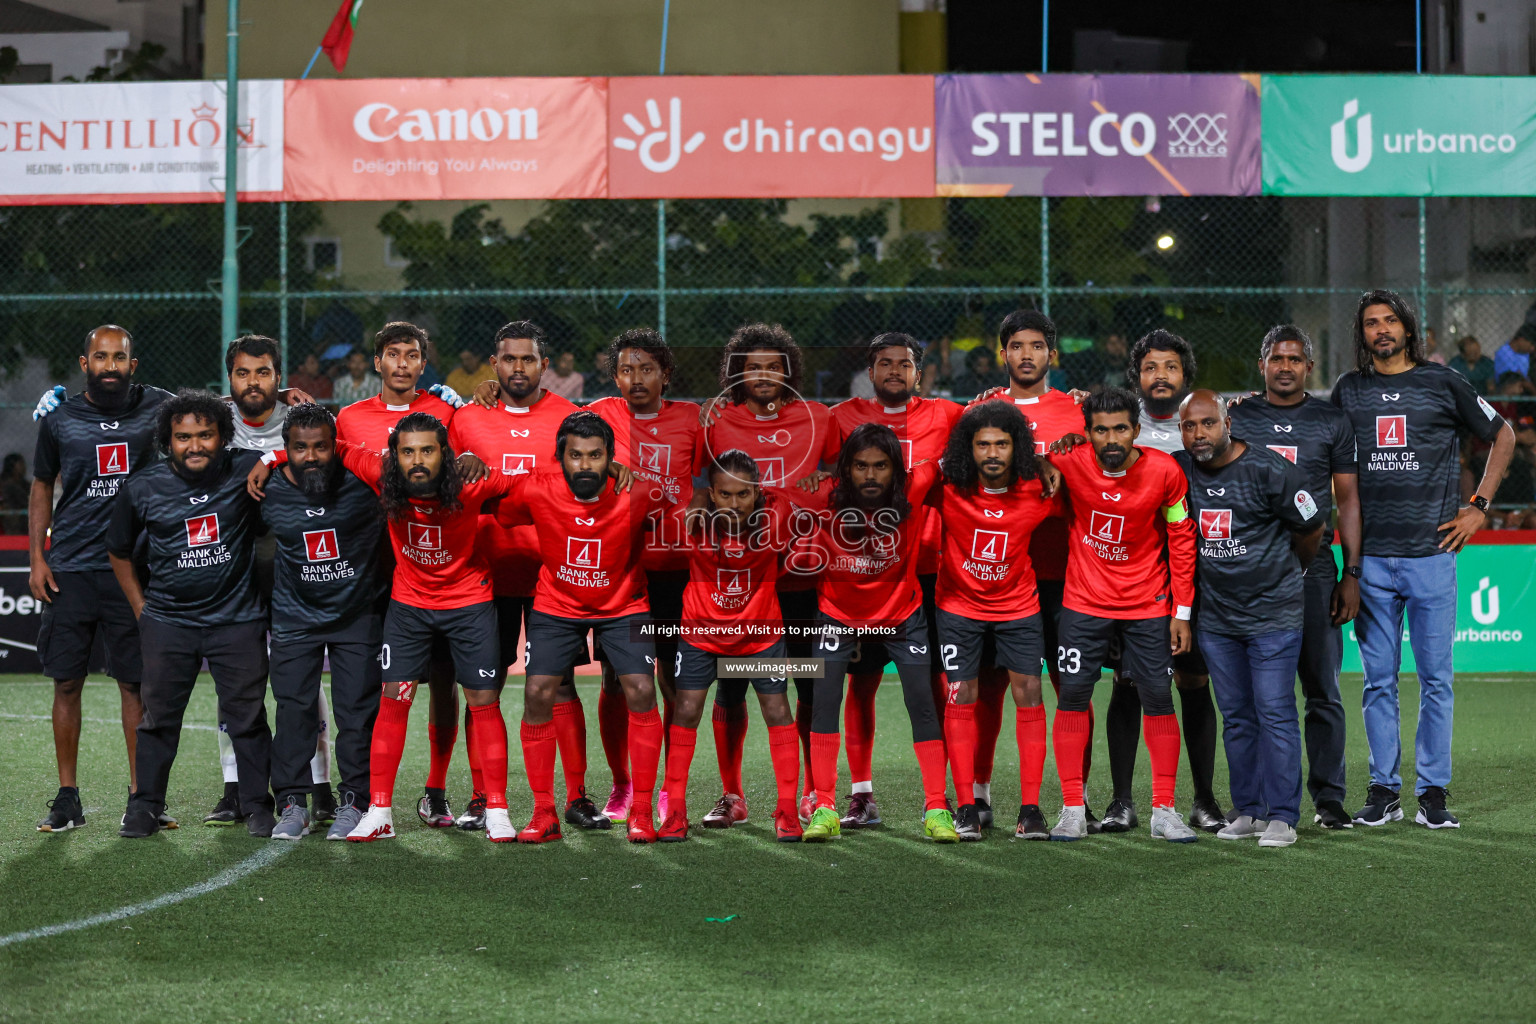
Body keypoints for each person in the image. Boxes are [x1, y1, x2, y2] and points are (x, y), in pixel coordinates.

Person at [255, 412, 512, 842]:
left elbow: (533, 485)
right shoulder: (379, 474)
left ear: (443, 454)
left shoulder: (473, 482)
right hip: (407, 605)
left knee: (481, 700)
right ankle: (376, 809)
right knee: (389, 701)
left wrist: (475, 458)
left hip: (467, 603)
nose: (417, 460)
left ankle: (499, 809)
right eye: (408, 451)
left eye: (427, 451)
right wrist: (271, 454)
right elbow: (329, 446)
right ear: (393, 456)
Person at [1331, 289, 1514, 829]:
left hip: (1432, 556)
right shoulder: (1349, 390)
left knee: (1437, 680)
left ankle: (1432, 792)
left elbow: (1502, 434)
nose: (1381, 330)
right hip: (1371, 560)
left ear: (1408, 330)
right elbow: (1315, 436)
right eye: (1371, 323)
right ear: (1362, 334)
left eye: (1390, 321)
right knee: (1377, 682)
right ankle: (1384, 790)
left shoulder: (1442, 382)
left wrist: (1479, 506)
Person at [446, 320, 600, 832]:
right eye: (508, 359)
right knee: (479, 689)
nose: (518, 368)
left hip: (553, 577)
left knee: (557, 688)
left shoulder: (569, 419)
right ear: (494, 364)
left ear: (543, 365)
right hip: (480, 576)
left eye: (528, 359)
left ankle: (576, 795)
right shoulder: (466, 419)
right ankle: (480, 796)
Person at [1036, 387, 1199, 843]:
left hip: (1147, 606)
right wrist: (1049, 457)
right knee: (1072, 698)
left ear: (1137, 430)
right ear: (1086, 434)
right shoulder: (1070, 462)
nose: (1112, 439)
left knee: (1159, 701)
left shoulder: (1165, 471)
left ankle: (1164, 810)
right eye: (1101, 430)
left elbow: (1181, 541)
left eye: (1121, 429)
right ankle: (1072, 809)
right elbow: (1034, 467)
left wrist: (1180, 612)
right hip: (1083, 605)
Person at [108, 390, 274, 838]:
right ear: (168, 439)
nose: (196, 445)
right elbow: (118, 551)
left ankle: (258, 805)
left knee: (248, 718)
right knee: (158, 719)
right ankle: (145, 806)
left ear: (222, 437)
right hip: (169, 623)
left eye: (206, 435)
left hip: (237, 619)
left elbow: (297, 449)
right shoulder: (142, 486)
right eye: (184, 437)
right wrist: (142, 610)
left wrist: (271, 458)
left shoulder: (244, 469)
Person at [497, 412, 669, 843]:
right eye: (576, 456)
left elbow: (670, 507)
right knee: (537, 693)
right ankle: (544, 814)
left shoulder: (639, 491)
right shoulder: (538, 486)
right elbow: (503, 513)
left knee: (642, 690)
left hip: (624, 605)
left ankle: (642, 813)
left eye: (596, 456)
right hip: (556, 604)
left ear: (611, 457)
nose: (586, 465)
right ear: (561, 458)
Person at [815, 333, 961, 829]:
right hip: (844, 603)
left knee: (929, 692)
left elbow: (995, 430)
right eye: (884, 363)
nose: (895, 371)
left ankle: (943, 800)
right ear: (870, 371)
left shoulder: (947, 415)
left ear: (920, 372)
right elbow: (795, 464)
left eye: (905, 364)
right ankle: (852, 797)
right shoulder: (839, 419)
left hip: (918, 580)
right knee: (853, 689)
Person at [30, 325, 170, 833]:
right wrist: (37, 558)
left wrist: (285, 395)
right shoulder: (59, 418)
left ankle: (142, 796)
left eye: (119, 357)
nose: (109, 365)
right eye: (100, 357)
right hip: (70, 567)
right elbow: (42, 485)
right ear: (84, 363)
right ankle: (68, 797)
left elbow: (223, 412)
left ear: (134, 365)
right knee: (67, 682)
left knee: (135, 685)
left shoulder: (160, 408)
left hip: (134, 569)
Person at [786, 423, 955, 844]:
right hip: (836, 615)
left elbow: (960, 457)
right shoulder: (820, 494)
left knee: (923, 705)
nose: (870, 476)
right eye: (860, 466)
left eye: (880, 466)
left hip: (903, 614)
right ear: (846, 469)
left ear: (896, 470)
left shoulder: (915, 486)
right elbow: (755, 492)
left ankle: (936, 806)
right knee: (824, 704)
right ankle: (825, 806)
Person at [965, 309, 1097, 830]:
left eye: (1037, 346)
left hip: (1067, 573)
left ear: (1051, 354)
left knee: (1072, 688)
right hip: (998, 575)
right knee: (992, 688)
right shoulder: (980, 412)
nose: (1026, 354)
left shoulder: (1078, 412)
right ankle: (979, 796)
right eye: (1016, 345)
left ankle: (1075, 798)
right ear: (1003, 354)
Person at [336, 322, 469, 830]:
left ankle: (435, 789)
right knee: (375, 682)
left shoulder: (448, 414)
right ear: (377, 362)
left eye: (412, 355)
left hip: (430, 562)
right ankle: (365, 794)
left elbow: (471, 464)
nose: (402, 364)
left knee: (442, 680)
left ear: (422, 363)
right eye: (392, 355)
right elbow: (327, 454)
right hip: (365, 561)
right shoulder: (350, 417)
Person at [1228, 325, 1362, 830]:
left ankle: (1328, 799)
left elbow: (1347, 501)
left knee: (1321, 687)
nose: (1285, 366)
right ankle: (1260, 805)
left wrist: (1351, 573)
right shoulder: (1237, 417)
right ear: (1261, 363)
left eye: (1295, 359)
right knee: (1263, 695)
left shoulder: (1331, 420)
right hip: (1251, 567)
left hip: (1313, 569)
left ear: (1309, 366)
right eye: (1276, 358)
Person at [1177, 390, 1324, 848]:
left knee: (1275, 712)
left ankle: (1282, 815)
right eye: (1189, 426)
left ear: (1227, 424)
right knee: (1237, 716)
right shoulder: (1180, 471)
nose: (1198, 434)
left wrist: (1293, 572)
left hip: (1273, 615)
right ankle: (1248, 810)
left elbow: (1313, 521)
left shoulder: (1269, 468)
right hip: (1217, 620)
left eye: (1207, 423)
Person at [702, 323, 834, 821]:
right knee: (731, 686)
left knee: (804, 683)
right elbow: (698, 486)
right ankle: (733, 795)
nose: (763, 374)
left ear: (789, 370)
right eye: (752, 365)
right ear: (737, 372)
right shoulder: (716, 420)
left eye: (773, 366)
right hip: (740, 582)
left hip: (801, 583)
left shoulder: (820, 417)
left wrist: (829, 476)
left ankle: (811, 793)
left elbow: (856, 467)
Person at [1097, 329, 1223, 834]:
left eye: (1170, 367)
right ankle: (1122, 801)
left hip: (1196, 581)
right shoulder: (1122, 430)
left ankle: (1205, 799)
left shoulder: (1204, 428)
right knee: (1128, 685)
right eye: (1151, 367)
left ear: (1185, 375)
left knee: (1195, 684)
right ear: (1137, 376)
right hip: (1135, 584)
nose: (1161, 376)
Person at [253, 404, 388, 841]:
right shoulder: (267, 490)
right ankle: (292, 804)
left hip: (357, 616)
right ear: (285, 449)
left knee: (357, 715)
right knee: (293, 712)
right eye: (298, 448)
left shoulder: (364, 486)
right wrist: (269, 459)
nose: (310, 456)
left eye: (321, 447)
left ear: (337, 447)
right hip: (295, 618)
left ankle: (356, 802)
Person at [586, 329, 701, 823]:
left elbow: (716, 478)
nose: (637, 379)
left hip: (677, 572)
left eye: (647, 369)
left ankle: (669, 789)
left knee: (675, 682)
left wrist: (696, 505)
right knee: (618, 681)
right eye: (627, 370)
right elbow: (556, 444)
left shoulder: (693, 419)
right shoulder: (598, 415)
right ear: (615, 376)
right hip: (621, 570)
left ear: (666, 374)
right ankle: (622, 784)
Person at [930, 402, 1060, 840]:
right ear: (969, 449)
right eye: (982, 443)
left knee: (1029, 693)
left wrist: (1049, 459)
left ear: (1016, 446)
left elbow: (1090, 477)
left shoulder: (1038, 489)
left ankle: (1030, 809)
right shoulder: (948, 487)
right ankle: (966, 805)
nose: (992, 452)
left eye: (1001, 443)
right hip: (958, 608)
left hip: (1019, 607)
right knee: (961, 694)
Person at [660, 450, 802, 841]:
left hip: (760, 635)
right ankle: (674, 812)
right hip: (701, 633)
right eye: (724, 494)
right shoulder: (691, 521)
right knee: (686, 710)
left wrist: (710, 494)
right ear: (711, 493)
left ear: (757, 493)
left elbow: (783, 499)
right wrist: (698, 497)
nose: (734, 504)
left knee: (777, 709)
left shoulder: (775, 517)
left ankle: (787, 811)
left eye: (744, 494)